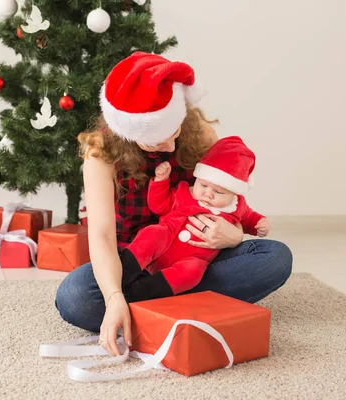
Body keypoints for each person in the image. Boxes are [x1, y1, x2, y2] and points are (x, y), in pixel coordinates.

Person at [55, 52, 293, 357]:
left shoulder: (200, 133)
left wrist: (234, 235)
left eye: (174, 132)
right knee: (75, 297)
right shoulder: (100, 154)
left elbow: (226, 198)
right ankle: (182, 305)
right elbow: (101, 235)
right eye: (155, 142)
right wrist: (114, 296)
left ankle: (153, 309)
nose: (168, 147)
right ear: (128, 131)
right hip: (134, 265)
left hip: (195, 256)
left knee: (275, 258)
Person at [121, 135, 270, 302]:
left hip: (195, 258)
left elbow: (249, 218)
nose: (208, 193)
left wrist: (259, 223)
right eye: (204, 185)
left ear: (234, 193)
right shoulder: (185, 192)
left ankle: (146, 291)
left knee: (193, 272)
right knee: (152, 234)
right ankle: (123, 272)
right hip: (165, 242)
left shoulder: (237, 206)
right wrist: (160, 182)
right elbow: (159, 205)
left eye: (219, 192)